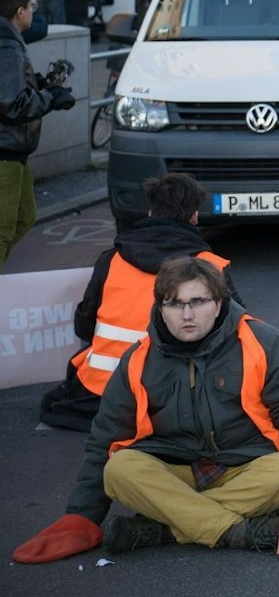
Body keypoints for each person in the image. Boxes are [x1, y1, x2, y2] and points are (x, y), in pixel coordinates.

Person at [12, 256, 279, 560]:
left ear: (219, 303)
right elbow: (105, 437)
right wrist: (82, 515)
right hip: (172, 469)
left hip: (245, 464)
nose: (187, 314)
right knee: (119, 469)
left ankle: (166, 528)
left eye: (198, 301)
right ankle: (236, 531)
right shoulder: (138, 359)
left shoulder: (262, 340)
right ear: (160, 308)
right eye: (175, 304)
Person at [38, 173, 234, 431]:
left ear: (151, 213)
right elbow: (235, 333)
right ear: (194, 216)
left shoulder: (112, 260)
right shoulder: (212, 267)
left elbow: (84, 324)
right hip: (173, 395)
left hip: (100, 392)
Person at [1, 0, 77, 265]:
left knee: (25, 217)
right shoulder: (6, 45)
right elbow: (10, 104)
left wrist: (43, 86)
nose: (34, 13)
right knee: (3, 229)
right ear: (20, 12)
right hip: (4, 153)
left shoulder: (10, 41)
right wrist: (50, 98)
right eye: (32, 7)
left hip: (14, 151)